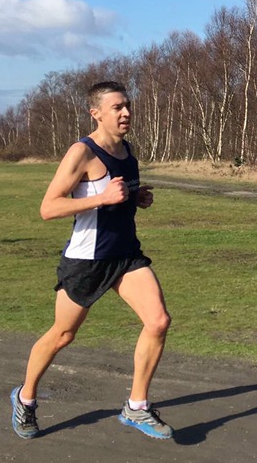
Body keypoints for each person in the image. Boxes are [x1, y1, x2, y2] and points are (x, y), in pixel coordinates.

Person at [10, 81, 173, 440]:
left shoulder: (128, 151)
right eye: (117, 107)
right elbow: (48, 207)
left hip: (125, 255)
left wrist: (135, 197)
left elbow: (118, 199)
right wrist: (101, 200)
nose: (126, 112)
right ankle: (25, 398)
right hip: (87, 260)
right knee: (63, 334)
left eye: (127, 105)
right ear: (96, 113)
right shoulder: (82, 153)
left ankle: (137, 406)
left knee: (158, 321)